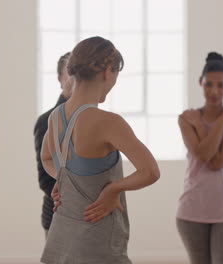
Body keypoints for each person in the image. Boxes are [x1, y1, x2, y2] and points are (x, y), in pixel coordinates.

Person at [40, 36, 160, 263]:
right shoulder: (107, 122)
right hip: (97, 242)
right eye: (116, 75)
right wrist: (113, 189)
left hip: (63, 238)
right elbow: (151, 171)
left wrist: (63, 178)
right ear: (107, 72)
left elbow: (46, 158)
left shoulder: (55, 117)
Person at [176, 52, 223, 264]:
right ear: (200, 82)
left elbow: (217, 162)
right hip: (191, 211)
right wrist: (211, 124)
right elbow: (204, 154)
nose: (214, 91)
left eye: (220, 85)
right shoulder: (186, 119)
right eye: (208, 84)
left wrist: (217, 122)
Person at [34, 52, 73, 238]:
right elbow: (45, 179)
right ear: (60, 78)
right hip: (60, 216)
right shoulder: (47, 121)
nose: (76, 79)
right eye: (70, 73)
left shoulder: (96, 118)